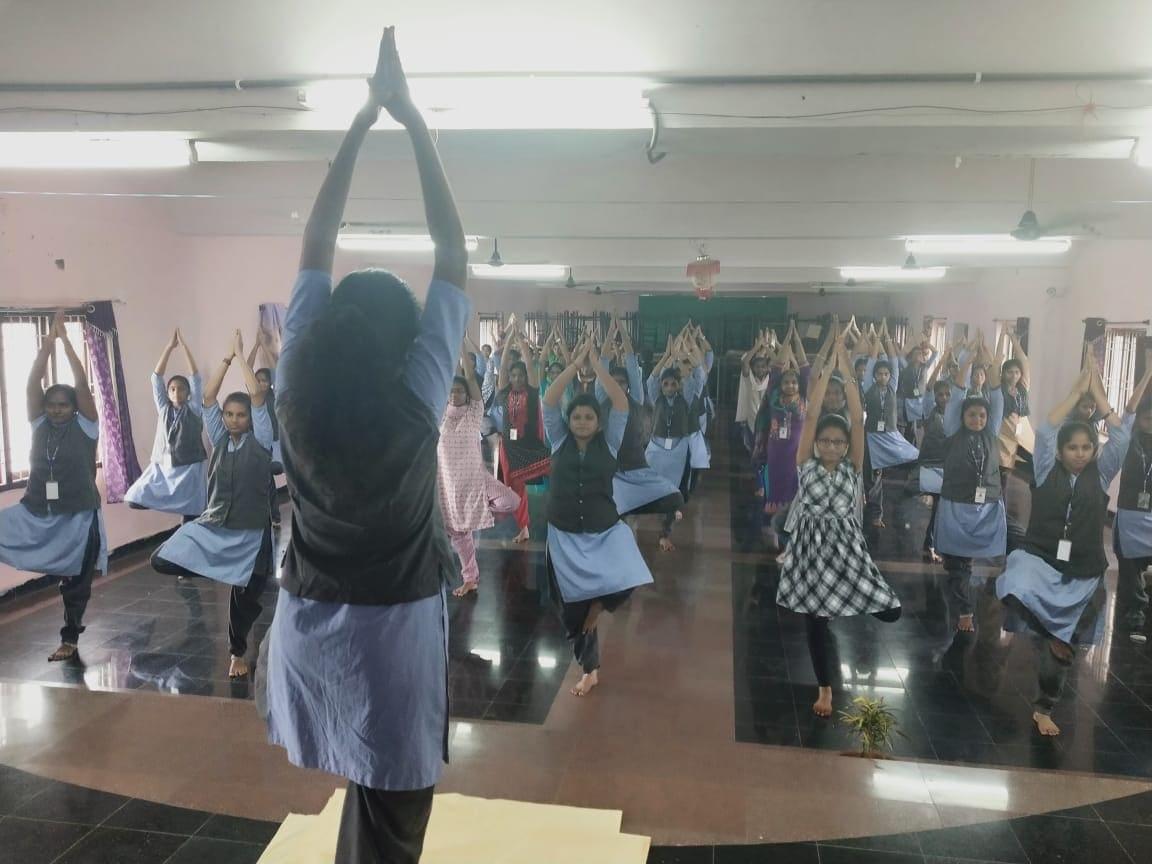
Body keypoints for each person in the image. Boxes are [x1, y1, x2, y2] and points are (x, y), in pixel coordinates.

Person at [262, 27, 470, 864]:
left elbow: (318, 242)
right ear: (405, 339)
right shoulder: (415, 398)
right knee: (394, 816)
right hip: (392, 638)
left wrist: (362, 121)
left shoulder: (294, 385)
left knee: (369, 805)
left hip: (308, 623)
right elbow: (452, 250)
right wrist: (408, 117)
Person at [996, 356, 1128, 737]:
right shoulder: (1044, 468)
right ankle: (1048, 630)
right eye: (1073, 448)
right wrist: (1075, 392)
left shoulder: (1100, 474)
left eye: (1087, 447)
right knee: (1013, 582)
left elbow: (1120, 437)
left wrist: (1098, 394)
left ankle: (1044, 707)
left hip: (1082, 570)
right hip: (1042, 560)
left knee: (1064, 647)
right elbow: (1048, 428)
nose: (1080, 454)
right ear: (1060, 450)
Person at [776, 337, 901, 718]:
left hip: (846, 549)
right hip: (811, 549)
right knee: (814, 622)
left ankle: (849, 599)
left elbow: (858, 420)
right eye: (826, 442)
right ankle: (825, 689)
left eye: (838, 442)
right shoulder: (806, 464)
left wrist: (845, 369)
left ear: (846, 446)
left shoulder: (853, 467)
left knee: (891, 612)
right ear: (816, 443)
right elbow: (812, 414)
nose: (831, 447)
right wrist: (824, 372)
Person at [150, 330, 273, 679]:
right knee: (161, 558)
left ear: (251, 419)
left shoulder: (261, 441)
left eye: (241, 415)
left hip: (250, 532)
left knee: (245, 597)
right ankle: (218, 568)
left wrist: (241, 355)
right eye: (229, 414)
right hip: (215, 524)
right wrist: (226, 359)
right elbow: (207, 398)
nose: (234, 419)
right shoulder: (219, 439)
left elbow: (257, 396)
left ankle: (237, 652)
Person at [543, 342, 653, 697]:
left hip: (603, 529)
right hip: (563, 534)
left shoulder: (610, 442)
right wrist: (575, 366)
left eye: (589, 417)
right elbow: (549, 401)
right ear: (568, 420)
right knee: (568, 609)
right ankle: (589, 669)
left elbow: (620, 402)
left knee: (630, 575)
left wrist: (598, 367)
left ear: (598, 421)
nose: (582, 422)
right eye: (576, 416)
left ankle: (598, 606)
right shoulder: (558, 440)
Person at [0, 312, 107, 662]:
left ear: (74, 407)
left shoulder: (87, 426)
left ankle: (70, 637)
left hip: (78, 516)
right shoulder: (38, 424)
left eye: (63, 405)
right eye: (51, 405)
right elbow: (32, 383)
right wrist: (47, 344)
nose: (57, 410)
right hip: (38, 510)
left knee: (76, 582)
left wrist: (67, 343)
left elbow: (81, 384)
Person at [438, 352, 520, 597]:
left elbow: (473, 381)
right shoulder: (440, 415)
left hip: (476, 479)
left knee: (511, 501)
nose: (455, 395)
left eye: (460, 391)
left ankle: (479, 509)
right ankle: (470, 578)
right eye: (452, 391)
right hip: (447, 485)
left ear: (467, 395)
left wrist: (463, 350)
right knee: (460, 536)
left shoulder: (473, 415)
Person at [934, 356, 1006, 633]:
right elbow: (957, 396)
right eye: (971, 415)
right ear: (961, 417)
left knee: (1017, 544)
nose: (977, 419)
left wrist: (989, 365)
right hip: (956, 506)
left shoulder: (992, 432)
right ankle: (965, 610)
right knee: (957, 564)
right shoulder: (953, 431)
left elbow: (997, 398)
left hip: (987, 505)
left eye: (982, 415)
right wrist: (966, 362)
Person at [124, 328, 208, 521]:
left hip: (190, 466)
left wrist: (184, 348)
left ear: (188, 393)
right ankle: (168, 505)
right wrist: (169, 348)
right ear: (167, 392)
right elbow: (156, 378)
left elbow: (195, 378)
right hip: (163, 465)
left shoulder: (194, 408)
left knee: (192, 513)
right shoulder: (163, 408)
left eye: (181, 389)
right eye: (172, 389)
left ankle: (188, 534)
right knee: (134, 498)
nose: (176, 392)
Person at [645, 328, 708, 552]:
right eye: (666, 384)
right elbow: (652, 379)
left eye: (673, 384)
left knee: (675, 491)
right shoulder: (656, 398)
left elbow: (697, 376)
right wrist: (666, 357)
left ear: (679, 385)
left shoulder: (687, 399)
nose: (670, 387)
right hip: (656, 448)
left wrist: (686, 355)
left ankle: (665, 532)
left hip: (679, 450)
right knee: (650, 485)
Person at [492, 326, 551, 542]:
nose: (516, 378)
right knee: (516, 489)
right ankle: (524, 527)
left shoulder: (532, 392)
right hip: (510, 448)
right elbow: (502, 365)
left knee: (557, 470)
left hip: (530, 445)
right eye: (513, 375)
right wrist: (508, 341)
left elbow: (529, 362)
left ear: (526, 377)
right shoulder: (504, 393)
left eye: (520, 375)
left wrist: (521, 339)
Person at [860, 325, 920, 527]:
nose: (883, 377)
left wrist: (887, 337)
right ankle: (874, 514)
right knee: (873, 476)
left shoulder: (893, 387)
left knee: (915, 455)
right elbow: (871, 363)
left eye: (886, 374)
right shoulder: (868, 387)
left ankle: (917, 486)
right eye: (880, 374)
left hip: (890, 435)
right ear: (874, 375)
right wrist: (877, 339)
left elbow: (894, 361)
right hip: (872, 436)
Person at [1113, 360, 1152, 642]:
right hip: (1130, 515)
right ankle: (1136, 612)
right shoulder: (1128, 441)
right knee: (1130, 566)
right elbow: (1127, 411)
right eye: (1148, 419)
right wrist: (1148, 373)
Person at [915, 380, 953, 564]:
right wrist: (939, 363)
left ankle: (932, 545)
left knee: (943, 509)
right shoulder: (932, 412)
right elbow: (929, 388)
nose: (944, 398)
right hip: (934, 467)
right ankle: (930, 545)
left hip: (950, 467)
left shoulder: (955, 416)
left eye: (947, 394)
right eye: (940, 394)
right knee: (939, 508)